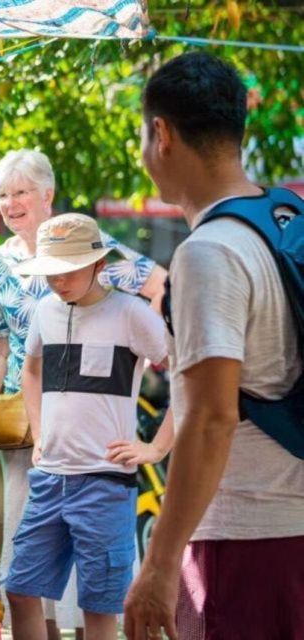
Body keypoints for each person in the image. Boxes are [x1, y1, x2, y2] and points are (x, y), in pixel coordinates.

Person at [124, 51, 304, 640]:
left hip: (245, 539)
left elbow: (210, 418)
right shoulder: (285, 217)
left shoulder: (209, 252)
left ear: (161, 133)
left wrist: (158, 565)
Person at [0, 149, 168, 638]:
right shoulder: (2, 263)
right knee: (25, 557)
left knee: (95, 583)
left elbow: (160, 287)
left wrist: (138, 357)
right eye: (4, 194)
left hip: (98, 427)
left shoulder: (97, 253)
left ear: (47, 195)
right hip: (33, 419)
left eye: (22, 192)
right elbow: (2, 345)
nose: (13, 202)